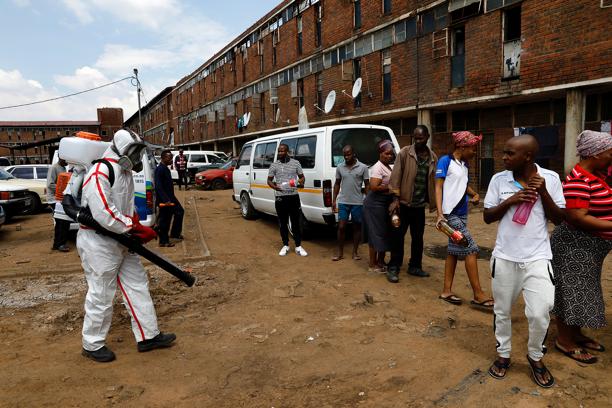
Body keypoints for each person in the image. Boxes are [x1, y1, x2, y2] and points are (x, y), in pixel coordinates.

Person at [77, 129, 176, 363]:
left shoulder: (126, 173)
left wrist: (133, 225)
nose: (136, 156)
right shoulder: (101, 171)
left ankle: (148, 336)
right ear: (120, 149)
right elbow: (104, 214)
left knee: (137, 285)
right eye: (133, 151)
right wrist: (134, 229)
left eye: (138, 152)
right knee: (101, 292)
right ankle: (91, 344)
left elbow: (125, 207)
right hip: (99, 243)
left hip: (121, 239)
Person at [484, 134, 565, 388]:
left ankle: (535, 356)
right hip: (505, 257)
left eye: (509, 153)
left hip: (538, 258)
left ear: (527, 156)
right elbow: (487, 216)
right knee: (502, 310)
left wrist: (543, 193)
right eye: (505, 153)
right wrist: (509, 201)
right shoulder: (499, 179)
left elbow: (559, 219)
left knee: (540, 312)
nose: (504, 157)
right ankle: (503, 354)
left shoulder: (550, 179)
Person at [550, 130, 612, 365]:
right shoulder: (579, 179)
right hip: (574, 245)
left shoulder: (594, 175)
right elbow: (577, 217)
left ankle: (575, 334)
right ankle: (565, 340)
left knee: (581, 291)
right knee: (570, 292)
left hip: (589, 247)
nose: (611, 157)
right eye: (609, 153)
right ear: (596, 154)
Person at [435, 131, 492, 307]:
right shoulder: (445, 161)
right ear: (462, 146)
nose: (475, 152)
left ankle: (446, 291)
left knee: (452, 252)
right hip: (450, 215)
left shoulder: (464, 165)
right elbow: (438, 187)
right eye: (473, 148)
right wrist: (439, 214)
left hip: (462, 213)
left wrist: (474, 194)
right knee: (471, 248)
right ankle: (478, 294)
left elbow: (462, 184)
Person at [387, 125, 438, 283]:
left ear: (427, 137)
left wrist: (435, 203)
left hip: (419, 206)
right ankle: (393, 267)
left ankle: (415, 266)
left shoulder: (433, 158)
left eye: (420, 138)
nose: (417, 141)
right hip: (403, 204)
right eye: (415, 138)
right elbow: (395, 177)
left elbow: (434, 181)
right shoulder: (404, 153)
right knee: (398, 237)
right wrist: (395, 199)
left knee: (418, 238)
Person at [267, 143, 308, 256]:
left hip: (293, 197)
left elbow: (302, 177)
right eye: (279, 151)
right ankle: (285, 245)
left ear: (287, 152)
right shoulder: (274, 165)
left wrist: (301, 182)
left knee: (295, 223)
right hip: (280, 198)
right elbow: (269, 180)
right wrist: (275, 187)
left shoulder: (296, 163)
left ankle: (298, 246)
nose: (280, 153)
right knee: (282, 223)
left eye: (282, 151)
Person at [332, 145, 369, 261]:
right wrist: (334, 200)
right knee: (341, 227)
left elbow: (367, 185)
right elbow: (337, 184)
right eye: (344, 155)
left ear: (354, 153)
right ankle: (340, 253)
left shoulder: (363, 167)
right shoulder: (340, 167)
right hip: (343, 201)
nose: (346, 157)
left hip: (357, 202)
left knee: (356, 227)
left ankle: (355, 252)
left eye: (348, 154)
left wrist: (368, 200)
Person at [362, 140, 394, 273]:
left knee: (384, 233)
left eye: (391, 154)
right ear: (380, 153)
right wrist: (392, 187)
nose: (389, 156)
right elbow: (374, 186)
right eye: (387, 153)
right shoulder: (378, 167)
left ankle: (380, 262)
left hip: (383, 204)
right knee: (376, 234)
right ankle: (372, 264)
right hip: (374, 204)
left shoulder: (388, 166)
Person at [155, 149, 185, 247]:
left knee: (180, 211)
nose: (171, 160)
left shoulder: (165, 168)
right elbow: (159, 186)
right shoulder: (159, 169)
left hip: (171, 197)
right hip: (165, 199)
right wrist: (165, 199)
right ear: (163, 158)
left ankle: (175, 233)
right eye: (169, 158)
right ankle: (163, 241)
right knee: (165, 219)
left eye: (172, 158)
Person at [47, 157, 70, 252]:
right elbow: (50, 184)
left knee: (61, 222)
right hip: (54, 199)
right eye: (66, 160)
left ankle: (57, 244)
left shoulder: (63, 168)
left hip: (60, 199)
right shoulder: (54, 168)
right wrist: (64, 187)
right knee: (62, 222)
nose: (68, 162)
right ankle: (61, 244)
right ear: (61, 158)